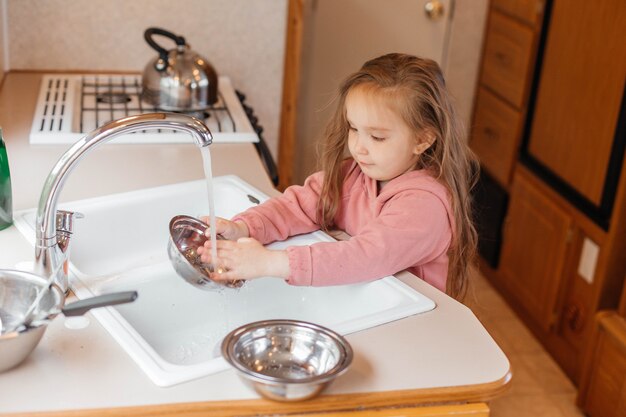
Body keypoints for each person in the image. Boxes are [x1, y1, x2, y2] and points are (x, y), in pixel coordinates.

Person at [197, 53, 478, 300]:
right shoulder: (354, 174)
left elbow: (366, 256)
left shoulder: (424, 206)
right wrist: (246, 227)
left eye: (377, 137)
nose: (358, 146)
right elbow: (298, 205)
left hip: (412, 328)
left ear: (423, 139)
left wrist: (270, 263)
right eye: (354, 129)